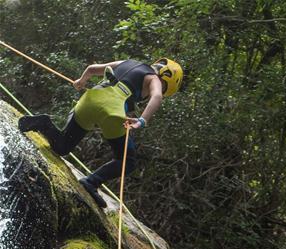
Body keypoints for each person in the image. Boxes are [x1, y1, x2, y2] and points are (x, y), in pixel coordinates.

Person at [18, 57, 183, 209]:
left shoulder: (127, 62)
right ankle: (90, 182)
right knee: (128, 160)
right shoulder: (155, 79)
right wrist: (142, 120)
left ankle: (44, 124)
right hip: (111, 111)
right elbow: (157, 97)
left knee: (61, 147)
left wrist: (81, 81)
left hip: (90, 99)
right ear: (167, 80)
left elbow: (91, 69)